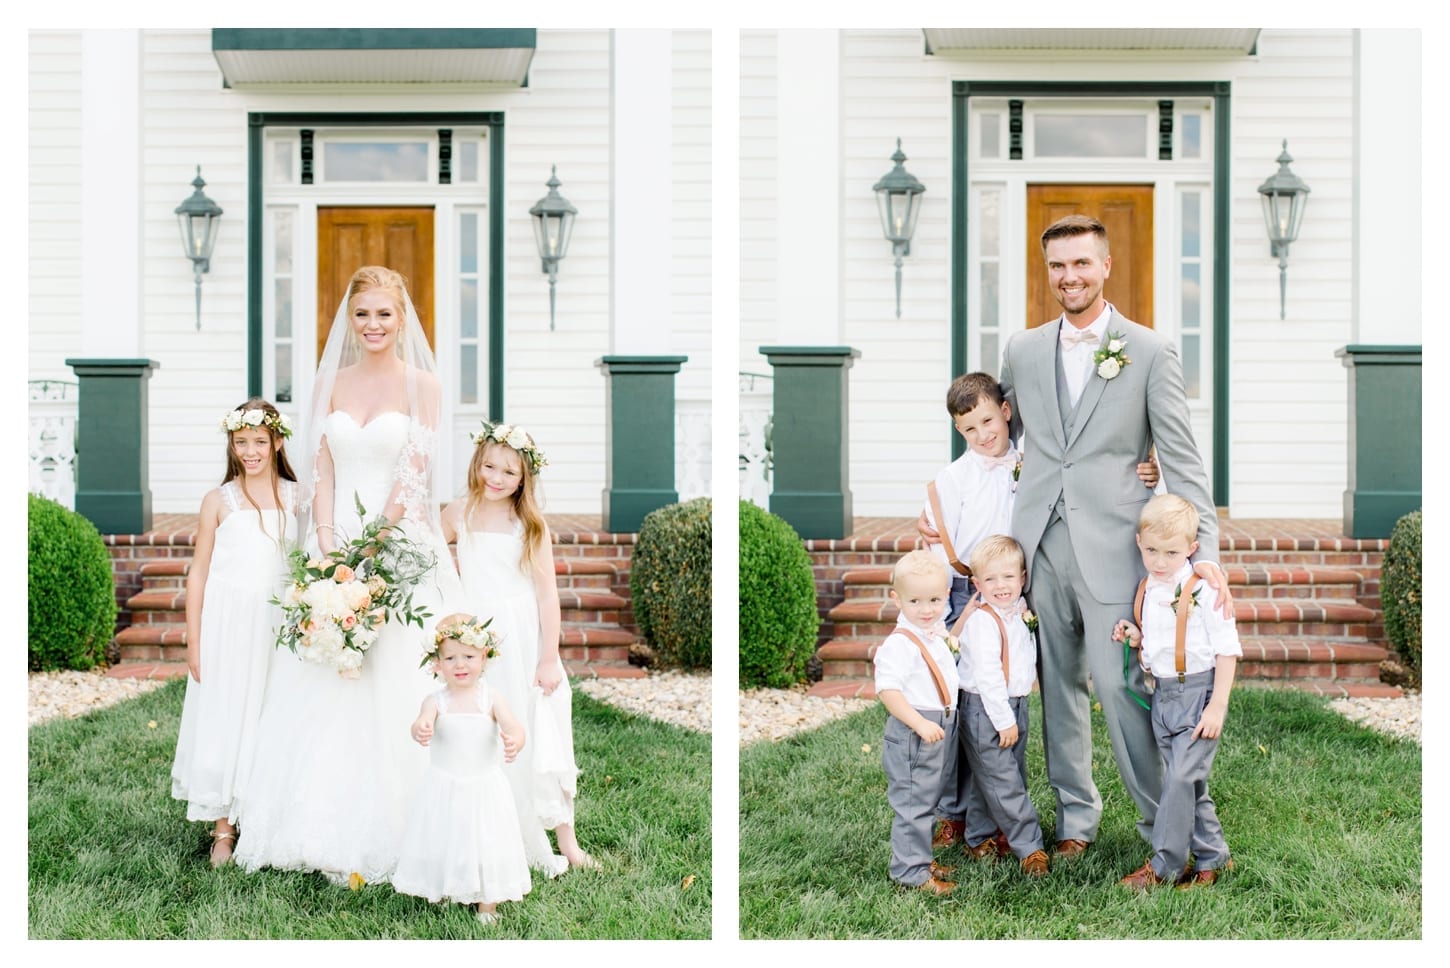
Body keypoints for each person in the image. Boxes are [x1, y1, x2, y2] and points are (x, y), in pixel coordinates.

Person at [995, 214, 1229, 857]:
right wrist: (952, 499)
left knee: (1125, 689)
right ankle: (1076, 821)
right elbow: (1003, 436)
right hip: (1037, 545)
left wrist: (1203, 554)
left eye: (1081, 263)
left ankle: (1166, 827)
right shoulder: (1021, 348)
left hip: (1116, 546)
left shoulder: (1149, 350)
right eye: (1057, 266)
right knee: (1056, 691)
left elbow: (1182, 461)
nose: (1068, 276)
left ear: (1105, 267)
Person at [235, 266, 465, 886]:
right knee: (324, 674)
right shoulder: (329, 385)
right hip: (332, 539)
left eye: (384, 314)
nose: (372, 325)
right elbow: (324, 474)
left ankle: (414, 827)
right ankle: (311, 823)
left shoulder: (425, 386)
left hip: (398, 541)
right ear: (350, 318)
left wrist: (368, 550)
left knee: (396, 670)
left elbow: (412, 477)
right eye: (362, 314)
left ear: (403, 317)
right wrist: (330, 551)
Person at [922, 372, 1158, 855]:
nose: (983, 434)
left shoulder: (1032, 465)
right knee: (962, 708)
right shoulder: (951, 480)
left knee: (1005, 708)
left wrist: (1145, 470)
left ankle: (999, 813)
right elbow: (935, 544)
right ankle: (953, 812)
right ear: (958, 432)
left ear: (1006, 412)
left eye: (988, 421)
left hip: (1014, 595)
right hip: (966, 593)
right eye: (969, 429)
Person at [441, 422, 596, 876]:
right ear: (476, 464)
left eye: (508, 471)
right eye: (489, 465)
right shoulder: (457, 514)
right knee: (481, 729)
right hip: (475, 639)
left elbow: (547, 596)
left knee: (541, 729)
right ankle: (486, 830)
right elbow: (426, 556)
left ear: (524, 477)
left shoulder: (529, 525)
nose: (495, 477)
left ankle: (566, 842)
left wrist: (549, 657)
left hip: (522, 635)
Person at [171, 398, 298, 867]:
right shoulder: (218, 501)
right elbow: (199, 572)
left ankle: (265, 813)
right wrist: (193, 637)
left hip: (278, 624)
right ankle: (223, 827)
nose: (250, 451)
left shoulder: (296, 497)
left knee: (271, 712)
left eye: (259, 442)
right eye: (241, 442)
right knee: (229, 714)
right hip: (228, 624)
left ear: (277, 442)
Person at [1111, 495, 1240, 889]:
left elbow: (1227, 649)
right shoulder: (1148, 587)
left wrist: (1217, 706)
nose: (1160, 560)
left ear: (1191, 549)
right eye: (1151, 550)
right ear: (1139, 543)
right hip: (1164, 697)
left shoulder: (1205, 589)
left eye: (1171, 552)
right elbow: (1162, 641)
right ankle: (1213, 859)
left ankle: (1164, 865)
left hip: (1199, 696)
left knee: (1180, 780)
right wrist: (1137, 640)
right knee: (1190, 783)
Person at [392, 614, 533, 924]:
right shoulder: (436, 700)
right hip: (444, 785)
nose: (460, 664)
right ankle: (444, 887)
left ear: (484, 657)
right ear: (437, 664)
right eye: (450, 658)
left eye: (468, 656)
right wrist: (421, 728)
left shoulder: (491, 698)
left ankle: (488, 902)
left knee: (487, 842)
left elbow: (515, 727)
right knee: (445, 838)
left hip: (483, 786)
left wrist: (515, 741)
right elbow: (420, 723)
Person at [949, 535, 1048, 878]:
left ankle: (978, 837)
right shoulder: (982, 622)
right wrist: (1004, 720)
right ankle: (1030, 846)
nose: (1001, 586)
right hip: (986, 710)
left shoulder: (1018, 613)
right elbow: (989, 677)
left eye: (1008, 577)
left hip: (1015, 705)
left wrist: (1015, 713)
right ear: (977, 584)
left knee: (992, 776)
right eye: (990, 579)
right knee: (1006, 783)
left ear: (1022, 578)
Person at [872, 550, 960, 895]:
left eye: (935, 600)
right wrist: (919, 723)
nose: (927, 609)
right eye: (916, 601)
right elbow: (888, 691)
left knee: (929, 797)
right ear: (896, 599)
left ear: (947, 596)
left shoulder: (933, 634)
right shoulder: (899, 644)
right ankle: (910, 873)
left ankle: (922, 860)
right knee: (913, 803)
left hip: (938, 727)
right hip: (914, 732)